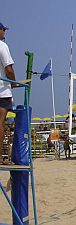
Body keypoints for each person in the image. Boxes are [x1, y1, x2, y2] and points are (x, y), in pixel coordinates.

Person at [0, 22, 16, 164]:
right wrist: (14, 83)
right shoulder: (2, 46)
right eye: (3, 30)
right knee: (0, 123)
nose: (4, 33)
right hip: (2, 91)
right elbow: (9, 69)